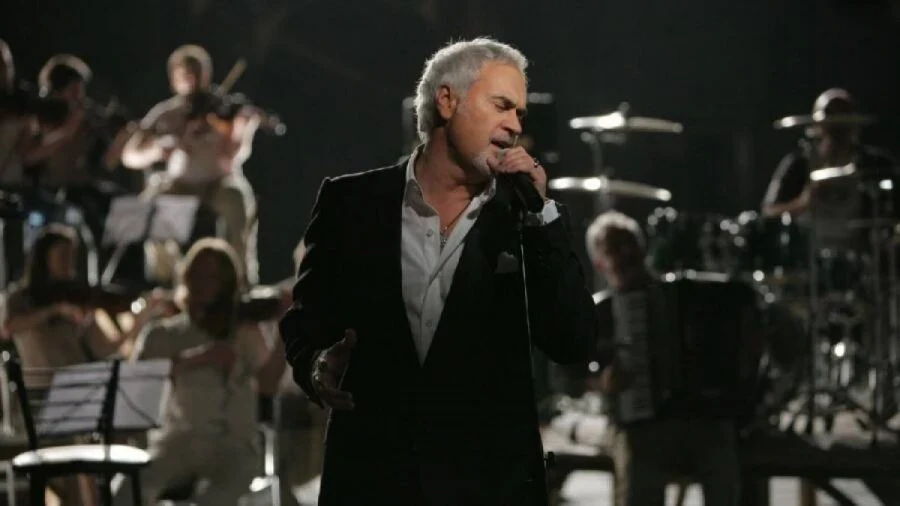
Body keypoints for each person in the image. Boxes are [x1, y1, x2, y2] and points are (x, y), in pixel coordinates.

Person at [279, 38, 595, 505]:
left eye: (520, 114)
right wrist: (316, 367)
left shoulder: (525, 218)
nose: (515, 126)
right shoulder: (351, 203)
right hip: (372, 482)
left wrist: (539, 215)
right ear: (447, 101)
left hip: (488, 488)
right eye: (502, 106)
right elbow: (304, 321)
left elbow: (573, 341)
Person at [581, 211, 746, 506]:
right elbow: (565, 376)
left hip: (701, 417)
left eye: (630, 243)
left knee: (722, 456)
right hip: (639, 426)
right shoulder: (599, 312)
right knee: (639, 473)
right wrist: (601, 382)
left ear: (643, 247)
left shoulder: (693, 293)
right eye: (614, 247)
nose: (625, 253)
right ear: (599, 263)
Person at [128, 238, 285, 506]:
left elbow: (268, 384)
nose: (201, 284)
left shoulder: (244, 330)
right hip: (177, 443)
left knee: (218, 497)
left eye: (212, 277)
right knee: (126, 491)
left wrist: (284, 330)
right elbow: (136, 387)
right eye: (196, 275)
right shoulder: (162, 334)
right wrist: (196, 359)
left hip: (234, 445)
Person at [122, 44, 261, 284]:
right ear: (174, 80)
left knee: (238, 201)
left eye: (198, 74)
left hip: (220, 181)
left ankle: (241, 281)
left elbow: (233, 155)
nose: (193, 81)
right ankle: (166, 281)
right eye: (186, 75)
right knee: (151, 207)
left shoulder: (220, 111)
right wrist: (157, 149)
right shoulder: (165, 113)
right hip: (180, 184)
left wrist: (241, 131)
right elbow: (130, 155)